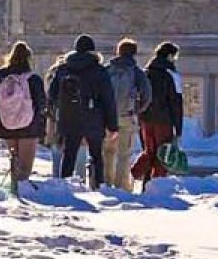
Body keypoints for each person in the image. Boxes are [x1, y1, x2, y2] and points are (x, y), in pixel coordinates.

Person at [48, 34, 116, 188]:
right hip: (94, 118)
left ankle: (64, 184)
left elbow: (52, 95)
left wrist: (57, 114)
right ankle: (98, 186)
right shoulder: (99, 71)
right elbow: (108, 99)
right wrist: (112, 125)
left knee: (69, 153)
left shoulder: (63, 69)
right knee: (96, 154)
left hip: (69, 117)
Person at [0, 42, 49, 189]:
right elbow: (41, 102)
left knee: (14, 161)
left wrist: (0, 117)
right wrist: (39, 119)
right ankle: (22, 192)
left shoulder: (3, 78)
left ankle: (14, 189)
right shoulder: (33, 79)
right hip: (29, 126)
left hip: (8, 124)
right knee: (25, 166)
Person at [133, 42, 186, 187]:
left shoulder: (146, 73)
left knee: (149, 151)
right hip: (164, 120)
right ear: (170, 55)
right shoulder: (171, 75)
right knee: (163, 154)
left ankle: (138, 177)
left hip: (146, 118)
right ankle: (157, 185)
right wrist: (178, 127)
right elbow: (176, 101)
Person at [102, 37, 149, 191]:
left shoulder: (107, 69)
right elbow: (147, 95)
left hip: (107, 118)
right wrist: (137, 110)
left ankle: (106, 183)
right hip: (127, 116)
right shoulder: (136, 72)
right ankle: (121, 185)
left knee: (107, 152)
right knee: (124, 154)